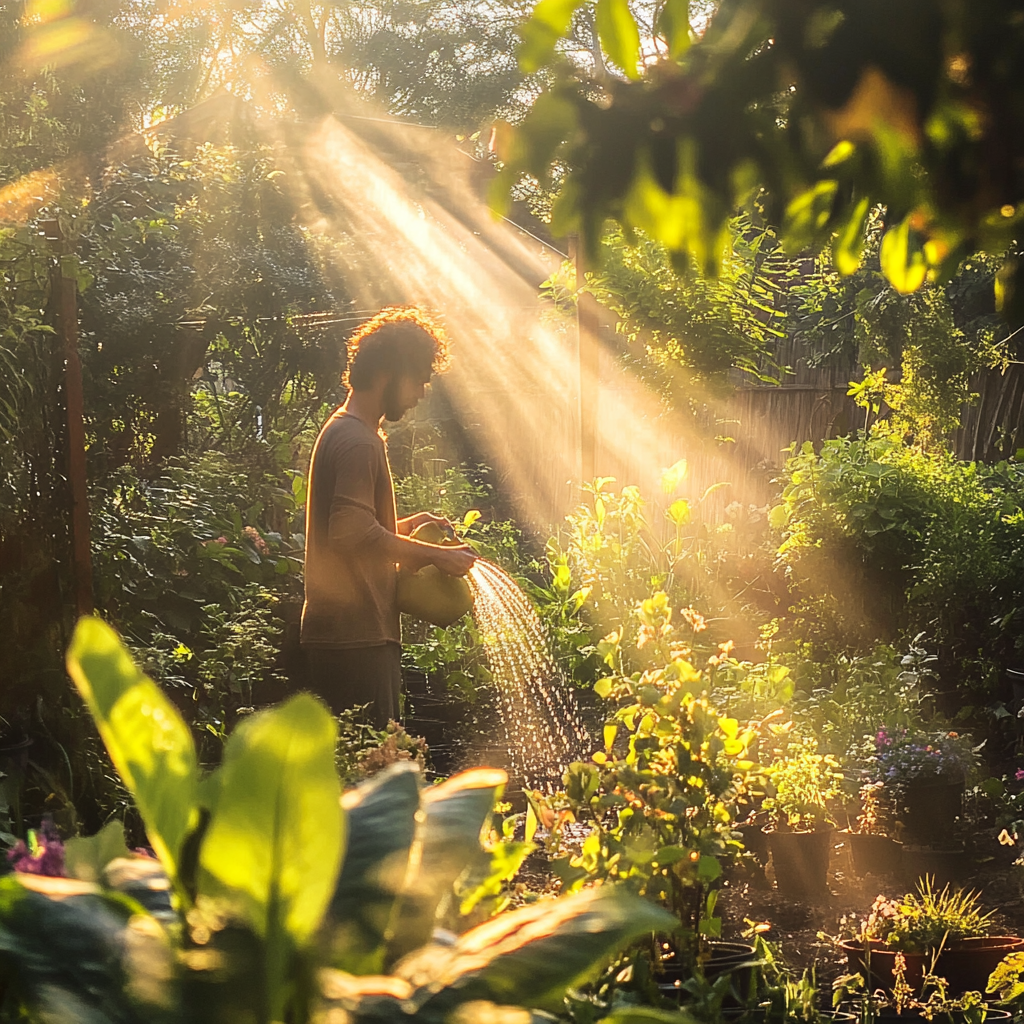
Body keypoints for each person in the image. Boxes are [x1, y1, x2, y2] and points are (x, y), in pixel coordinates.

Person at [300, 307, 476, 727]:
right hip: (354, 636)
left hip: (347, 635)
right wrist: (434, 556)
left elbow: (345, 531)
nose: (421, 391)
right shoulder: (356, 440)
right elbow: (350, 532)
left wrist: (405, 525)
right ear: (388, 373)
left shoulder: (349, 431)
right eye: (418, 378)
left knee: (360, 767)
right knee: (369, 771)